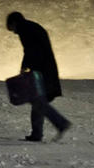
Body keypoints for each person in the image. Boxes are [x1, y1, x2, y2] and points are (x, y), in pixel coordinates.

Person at [6, 11, 72, 141]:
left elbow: (31, 50)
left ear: (14, 23)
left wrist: (26, 67)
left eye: (11, 28)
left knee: (38, 100)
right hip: (45, 68)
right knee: (37, 100)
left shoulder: (25, 29)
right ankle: (37, 133)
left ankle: (59, 123)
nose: (13, 32)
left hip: (40, 70)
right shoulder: (31, 27)